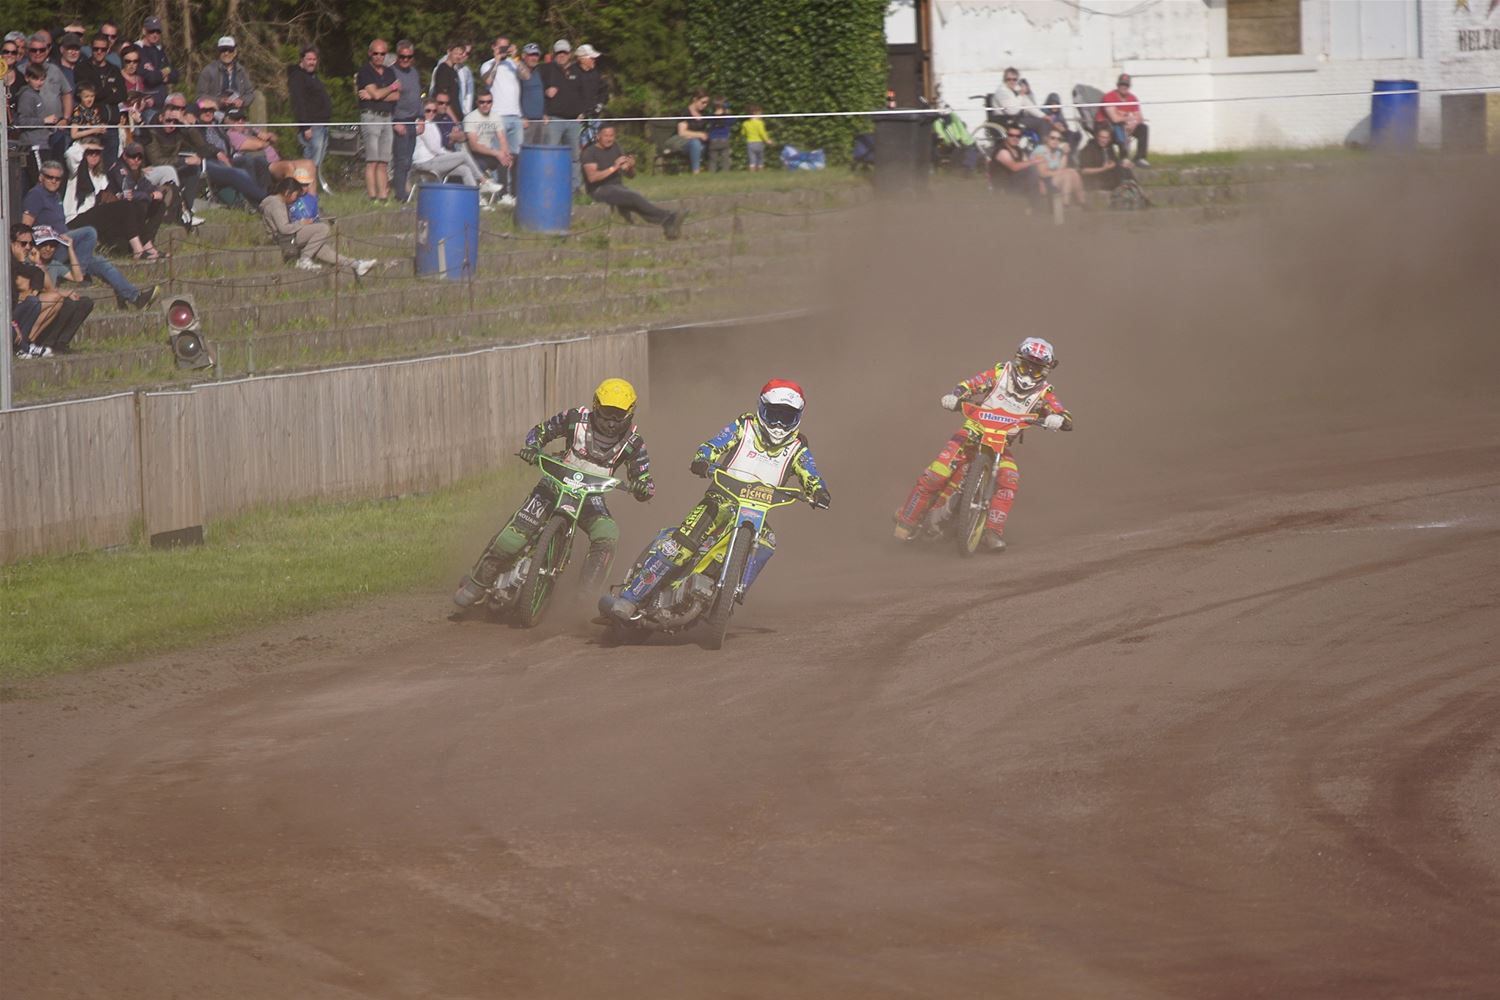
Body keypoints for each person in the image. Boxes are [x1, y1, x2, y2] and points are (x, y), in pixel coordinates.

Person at [600, 379, 830, 622]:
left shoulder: (797, 449)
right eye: (774, 415)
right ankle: (630, 598)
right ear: (762, 409)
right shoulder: (744, 426)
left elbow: (811, 474)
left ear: (798, 417)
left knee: (768, 541)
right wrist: (703, 458)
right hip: (720, 501)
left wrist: (819, 492)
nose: (779, 424)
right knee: (682, 545)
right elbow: (715, 444)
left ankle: (733, 593)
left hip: (756, 514)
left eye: (787, 417)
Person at [453, 378, 655, 609]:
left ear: (630, 413)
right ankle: (477, 584)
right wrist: (532, 447)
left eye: (618, 415)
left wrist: (642, 487)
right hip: (553, 485)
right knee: (512, 538)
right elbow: (540, 431)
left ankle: (585, 597)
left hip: (590, 497)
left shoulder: (634, 442)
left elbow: (644, 479)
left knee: (608, 534)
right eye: (607, 412)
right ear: (596, 406)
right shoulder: (575, 418)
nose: (611, 422)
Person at [892, 338, 1073, 550]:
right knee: (937, 474)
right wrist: (955, 396)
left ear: (1046, 370)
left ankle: (992, 532)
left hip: (1001, 444)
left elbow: (1063, 413)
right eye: (1026, 366)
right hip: (971, 433)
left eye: (1037, 368)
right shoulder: (999, 373)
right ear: (1018, 361)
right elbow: (970, 385)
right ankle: (907, 520)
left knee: (1009, 479)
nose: (1029, 373)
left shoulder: (1044, 393)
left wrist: (1059, 419)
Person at [62, 139, 164, 259]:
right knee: (127, 205)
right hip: (76, 219)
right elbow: (70, 154)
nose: (94, 155)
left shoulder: (101, 177)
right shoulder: (76, 172)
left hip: (96, 218)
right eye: (90, 152)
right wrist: (87, 145)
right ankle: (138, 251)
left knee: (134, 205)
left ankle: (149, 249)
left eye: (97, 153)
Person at [581, 123, 683, 239]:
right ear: (598, 136)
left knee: (634, 198)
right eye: (606, 136)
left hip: (617, 187)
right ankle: (668, 217)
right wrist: (614, 167)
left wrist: (630, 167)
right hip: (599, 190)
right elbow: (592, 177)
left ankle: (667, 223)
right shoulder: (590, 152)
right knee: (632, 196)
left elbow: (631, 176)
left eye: (612, 136)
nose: (609, 139)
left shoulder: (616, 147)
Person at [259, 176, 374, 275]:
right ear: (287, 192)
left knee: (324, 250)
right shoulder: (276, 205)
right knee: (322, 228)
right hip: (285, 238)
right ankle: (304, 259)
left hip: (289, 236)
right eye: (295, 195)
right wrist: (301, 223)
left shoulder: (277, 203)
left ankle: (356, 264)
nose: (296, 199)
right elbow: (284, 229)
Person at [412, 98, 498, 190]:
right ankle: (484, 181)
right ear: (422, 111)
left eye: (434, 111)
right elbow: (434, 148)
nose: (431, 113)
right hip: (425, 163)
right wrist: (452, 155)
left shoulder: (432, 124)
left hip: (434, 160)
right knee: (463, 155)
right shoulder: (422, 125)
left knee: (465, 170)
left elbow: (438, 148)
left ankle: (474, 196)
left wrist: (451, 155)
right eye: (428, 110)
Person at [480, 36, 526, 197]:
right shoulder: (488, 64)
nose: (504, 50)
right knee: (500, 155)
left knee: (516, 155)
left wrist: (515, 57)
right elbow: (488, 81)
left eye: (506, 47)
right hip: (498, 115)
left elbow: (526, 76)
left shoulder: (514, 63)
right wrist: (497, 60)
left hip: (516, 115)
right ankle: (499, 191)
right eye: (501, 47)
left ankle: (513, 192)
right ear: (494, 47)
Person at [356, 38, 399, 203]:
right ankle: (372, 197)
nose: (379, 57)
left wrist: (377, 95)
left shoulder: (390, 72)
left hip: (387, 117)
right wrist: (390, 88)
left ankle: (383, 197)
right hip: (371, 117)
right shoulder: (365, 72)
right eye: (376, 53)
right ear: (370, 53)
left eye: (382, 54)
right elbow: (378, 93)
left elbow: (396, 96)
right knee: (372, 160)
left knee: (383, 161)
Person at [540, 39, 585, 190]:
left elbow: (584, 93)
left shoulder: (577, 71)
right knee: (550, 154)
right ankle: (548, 185)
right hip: (554, 120)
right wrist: (545, 99)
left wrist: (582, 112)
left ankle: (575, 187)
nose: (562, 55)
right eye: (559, 53)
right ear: (554, 54)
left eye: (564, 52)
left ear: (569, 54)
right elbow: (535, 89)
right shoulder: (546, 69)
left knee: (574, 157)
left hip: (574, 121)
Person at [287, 46, 332, 192]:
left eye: (314, 59)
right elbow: (298, 103)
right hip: (311, 127)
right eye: (309, 59)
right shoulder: (298, 77)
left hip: (322, 125)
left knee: (316, 163)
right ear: (302, 60)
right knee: (309, 164)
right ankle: (303, 192)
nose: (312, 62)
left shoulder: (312, 76)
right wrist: (305, 126)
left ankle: (311, 193)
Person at [462, 90, 515, 202]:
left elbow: (502, 138)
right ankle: (477, 196)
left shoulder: (495, 116)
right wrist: (497, 153)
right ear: (477, 103)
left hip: (487, 153)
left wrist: (505, 154)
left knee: (508, 159)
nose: (485, 105)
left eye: (489, 102)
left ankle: (505, 195)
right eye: (482, 102)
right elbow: (474, 146)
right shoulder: (470, 118)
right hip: (471, 155)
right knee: (483, 163)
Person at [387, 39, 423, 203]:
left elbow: (418, 96)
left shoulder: (414, 72)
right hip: (399, 120)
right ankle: (400, 194)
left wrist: (421, 117)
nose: (405, 60)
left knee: (409, 160)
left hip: (412, 121)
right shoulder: (391, 72)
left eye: (409, 57)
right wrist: (394, 121)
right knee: (401, 160)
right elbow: (387, 100)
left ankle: (405, 190)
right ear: (398, 56)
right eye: (402, 56)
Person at [195, 36, 254, 118]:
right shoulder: (208, 70)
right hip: (215, 114)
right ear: (218, 52)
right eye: (223, 50)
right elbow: (200, 96)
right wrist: (219, 101)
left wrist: (242, 101)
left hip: (237, 114)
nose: (226, 53)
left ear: (235, 52)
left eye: (230, 50)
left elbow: (250, 93)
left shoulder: (241, 71)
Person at [1098, 73, 1149, 167]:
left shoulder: (1132, 98)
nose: (1124, 87)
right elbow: (1114, 119)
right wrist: (1128, 119)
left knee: (1143, 127)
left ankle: (1139, 158)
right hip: (1106, 126)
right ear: (1117, 85)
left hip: (1127, 126)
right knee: (1119, 125)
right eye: (1122, 84)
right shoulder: (1109, 96)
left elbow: (1140, 117)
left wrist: (1133, 124)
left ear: (1129, 86)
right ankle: (1123, 157)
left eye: (1126, 85)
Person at [1030, 127, 1085, 210]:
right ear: (1047, 139)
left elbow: (1061, 168)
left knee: (1073, 172)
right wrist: (1062, 172)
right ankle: (1067, 205)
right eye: (1052, 138)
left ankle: (1082, 203)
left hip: (1053, 179)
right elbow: (1043, 173)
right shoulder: (1040, 150)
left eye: (1058, 139)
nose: (1055, 141)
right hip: (1041, 182)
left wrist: (1065, 154)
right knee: (1067, 174)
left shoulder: (1058, 151)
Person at [134, 16, 177, 111]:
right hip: (146, 103)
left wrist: (162, 74)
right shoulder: (137, 49)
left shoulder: (159, 50)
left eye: (158, 32)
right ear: (144, 31)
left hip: (162, 100)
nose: (155, 35)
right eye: (151, 31)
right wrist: (164, 74)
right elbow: (150, 78)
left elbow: (174, 73)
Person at [1078, 121, 1131, 192]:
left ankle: (1134, 191)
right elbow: (1084, 171)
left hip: (1108, 176)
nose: (1104, 140)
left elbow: (1114, 162)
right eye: (1102, 137)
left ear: (1110, 138)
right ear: (1097, 137)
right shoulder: (1088, 149)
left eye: (1106, 138)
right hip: (1094, 180)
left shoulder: (1108, 147)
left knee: (1126, 170)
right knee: (1121, 178)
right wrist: (1103, 168)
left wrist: (1122, 163)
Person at [671, 91, 710, 174]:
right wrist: (699, 135)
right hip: (680, 142)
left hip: (697, 141)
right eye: (703, 102)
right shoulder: (685, 112)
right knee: (695, 143)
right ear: (695, 100)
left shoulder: (704, 114)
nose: (705, 105)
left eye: (707, 103)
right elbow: (682, 132)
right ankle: (696, 171)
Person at [518, 43, 546, 144]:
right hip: (526, 121)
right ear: (523, 56)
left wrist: (545, 113)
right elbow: (515, 96)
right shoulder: (519, 73)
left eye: (536, 55)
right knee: (524, 150)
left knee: (539, 150)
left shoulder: (540, 72)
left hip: (540, 120)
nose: (534, 58)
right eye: (531, 55)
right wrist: (521, 116)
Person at [707, 97, 734, 172]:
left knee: (713, 159)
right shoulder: (726, 116)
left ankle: (712, 172)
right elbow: (732, 121)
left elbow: (709, 123)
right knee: (725, 158)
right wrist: (728, 112)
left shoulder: (711, 116)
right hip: (724, 139)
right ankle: (725, 171)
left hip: (713, 139)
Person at [743, 104, 770, 171]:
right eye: (760, 114)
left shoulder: (745, 123)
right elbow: (762, 133)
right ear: (755, 113)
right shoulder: (760, 123)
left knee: (752, 159)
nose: (761, 115)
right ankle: (760, 170)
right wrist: (767, 140)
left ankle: (752, 170)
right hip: (759, 142)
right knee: (760, 158)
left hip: (750, 143)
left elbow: (743, 133)